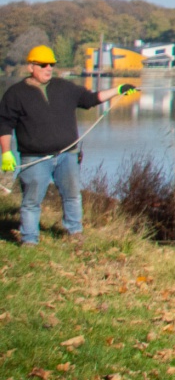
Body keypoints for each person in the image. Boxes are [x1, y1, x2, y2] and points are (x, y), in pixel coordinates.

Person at [2, 46, 132, 246]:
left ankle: (74, 232)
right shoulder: (15, 94)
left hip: (68, 155)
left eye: (51, 64)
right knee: (31, 202)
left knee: (72, 196)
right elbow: (4, 124)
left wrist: (119, 89)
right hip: (34, 158)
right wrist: (6, 153)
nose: (48, 68)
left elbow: (90, 99)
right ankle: (29, 240)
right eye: (43, 64)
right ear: (31, 67)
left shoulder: (64, 87)